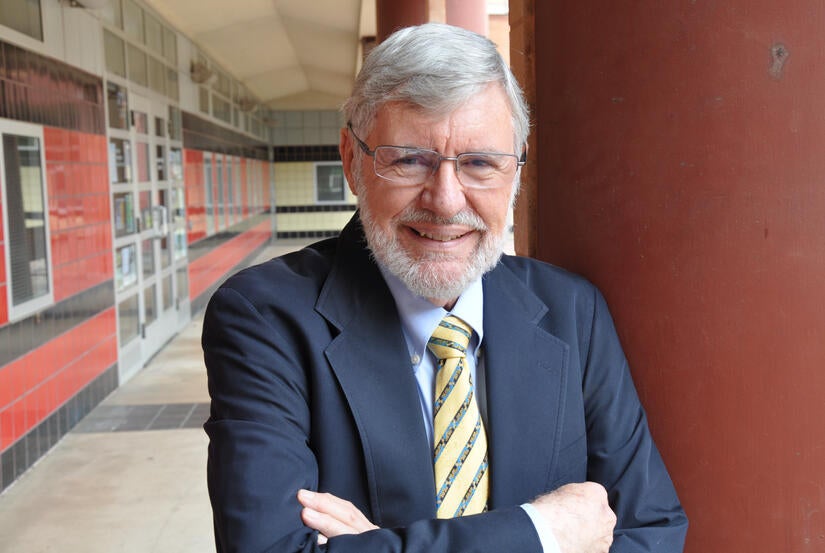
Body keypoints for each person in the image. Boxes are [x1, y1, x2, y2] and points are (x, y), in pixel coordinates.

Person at [203, 22, 688, 553]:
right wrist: (542, 532)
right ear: (352, 160)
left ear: (517, 170)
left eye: (480, 163)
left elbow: (652, 531)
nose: (446, 200)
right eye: (410, 159)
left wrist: (381, 545)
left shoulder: (573, 311)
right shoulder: (264, 317)